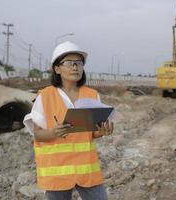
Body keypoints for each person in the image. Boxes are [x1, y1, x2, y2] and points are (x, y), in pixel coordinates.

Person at [23, 41, 113, 200]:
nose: (75, 67)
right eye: (70, 63)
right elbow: (37, 134)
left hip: (87, 170)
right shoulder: (45, 96)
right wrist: (53, 132)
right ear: (56, 69)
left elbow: (89, 134)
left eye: (79, 63)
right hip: (57, 172)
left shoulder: (92, 95)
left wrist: (100, 132)